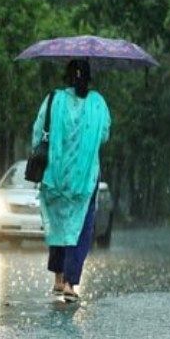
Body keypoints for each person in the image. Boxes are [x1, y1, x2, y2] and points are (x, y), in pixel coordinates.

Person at [31, 59, 110, 303]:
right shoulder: (98, 103)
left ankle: (57, 277)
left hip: (55, 176)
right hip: (85, 179)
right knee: (81, 228)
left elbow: (37, 133)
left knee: (60, 224)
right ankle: (70, 283)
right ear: (89, 78)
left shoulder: (53, 99)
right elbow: (105, 135)